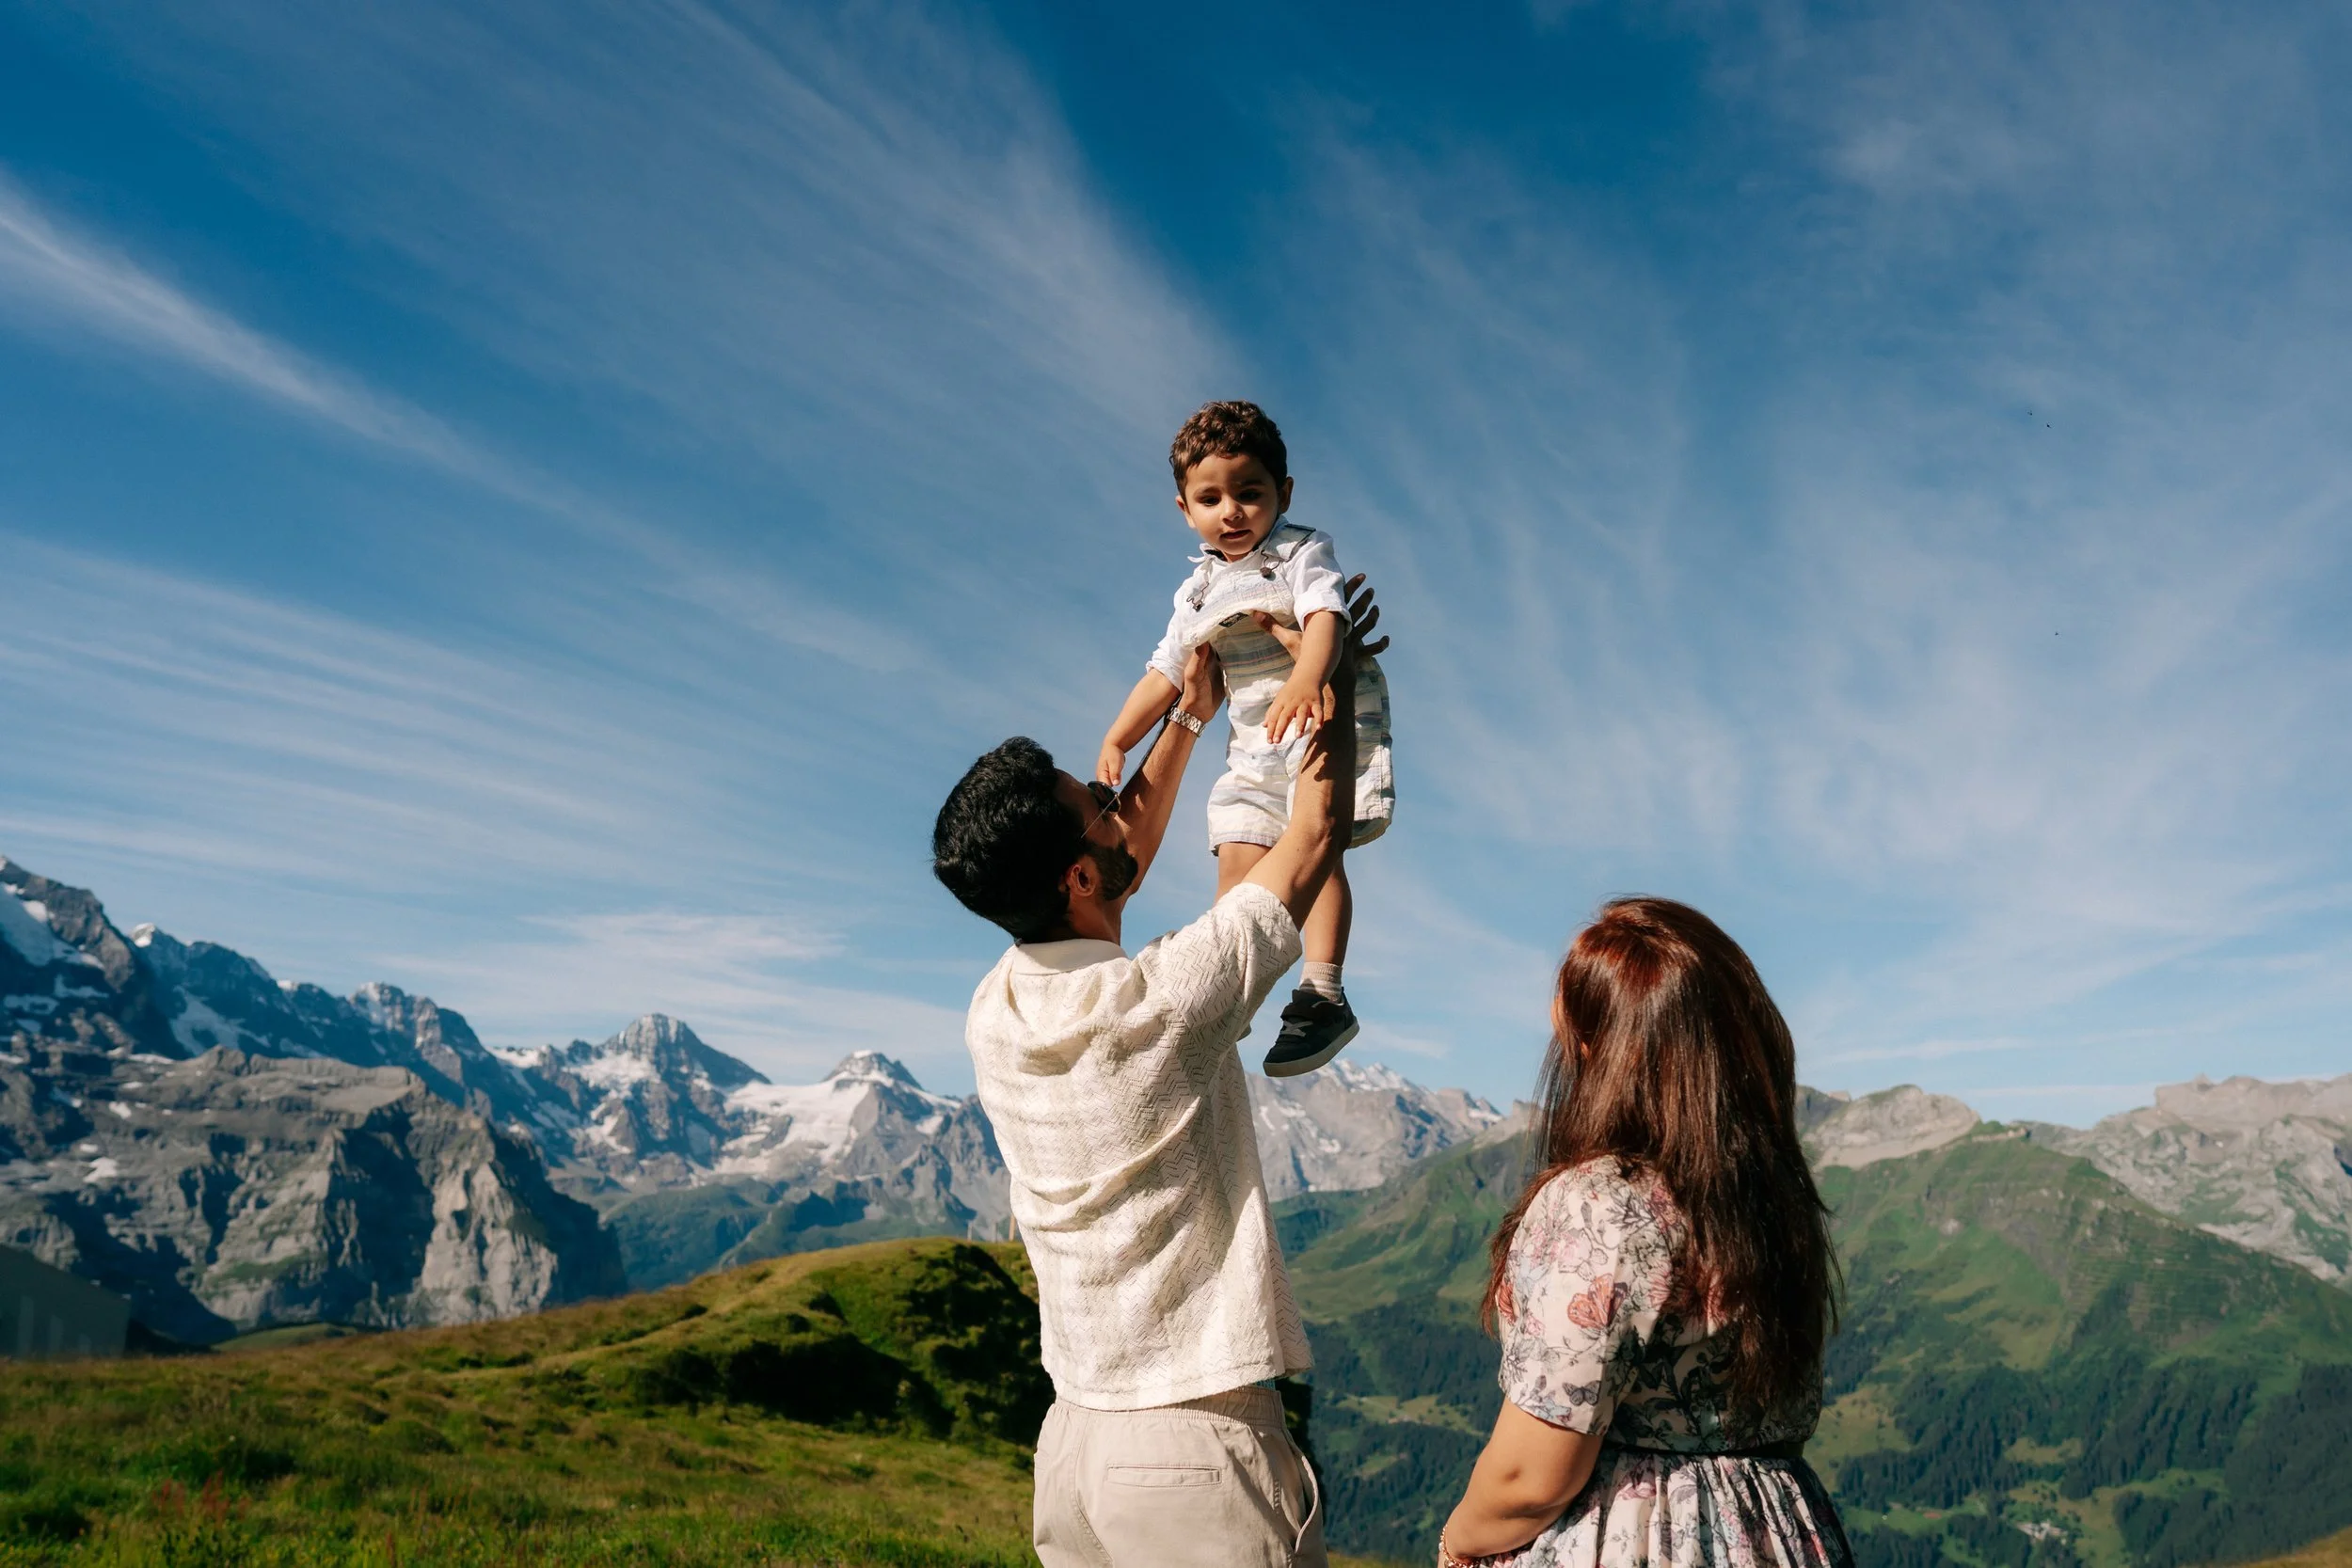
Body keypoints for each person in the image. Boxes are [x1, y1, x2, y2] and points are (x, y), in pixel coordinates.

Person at [932, 589, 1385, 1568]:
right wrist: (1328, 676)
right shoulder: (1165, 1006)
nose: (1115, 803)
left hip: (1075, 1446)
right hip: (1195, 1448)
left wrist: (1189, 710)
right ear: (1078, 879)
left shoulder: (993, 1009)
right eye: (1096, 802)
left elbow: (1113, 855)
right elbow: (1307, 838)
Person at [1436, 898, 1851, 1568]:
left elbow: (1530, 1477)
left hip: (1635, 1536)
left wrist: (1456, 1541)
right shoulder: (1767, 1197)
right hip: (1780, 1528)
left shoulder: (1602, 1203)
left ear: (1603, 1049)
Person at [1095, 400, 1395, 1078]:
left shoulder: (1299, 551)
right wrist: (1120, 733)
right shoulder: (1197, 589)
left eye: (1249, 492)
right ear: (1185, 509)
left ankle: (1323, 990)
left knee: (1318, 853)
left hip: (1314, 714)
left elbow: (1326, 616)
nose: (1231, 510)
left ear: (1282, 494)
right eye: (1211, 497)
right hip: (1251, 745)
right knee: (1234, 849)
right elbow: (1165, 670)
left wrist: (1309, 677)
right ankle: (1231, 983)